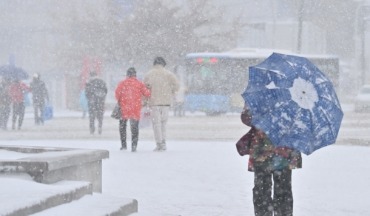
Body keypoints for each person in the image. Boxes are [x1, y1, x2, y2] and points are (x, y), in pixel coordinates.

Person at [236, 106, 302, 216]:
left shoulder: (260, 95)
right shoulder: (292, 97)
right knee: (281, 191)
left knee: (264, 191)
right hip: (281, 151)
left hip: (265, 151)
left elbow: (246, 118)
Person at [144, 57, 179, 151]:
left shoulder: (149, 74)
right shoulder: (169, 74)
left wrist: (144, 101)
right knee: (163, 124)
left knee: (156, 124)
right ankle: (163, 141)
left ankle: (159, 143)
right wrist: (171, 91)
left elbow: (145, 90)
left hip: (154, 103)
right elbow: (177, 86)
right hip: (166, 103)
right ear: (164, 64)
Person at [115, 67, 151, 152]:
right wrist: (149, 88)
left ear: (127, 75)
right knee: (134, 128)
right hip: (135, 108)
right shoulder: (139, 83)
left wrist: (122, 100)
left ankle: (123, 145)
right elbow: (147, 94)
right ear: (135, 75)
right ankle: (134, 146)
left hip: (124, 108)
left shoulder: (122, 83)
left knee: (122, 127)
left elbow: (117, 95)